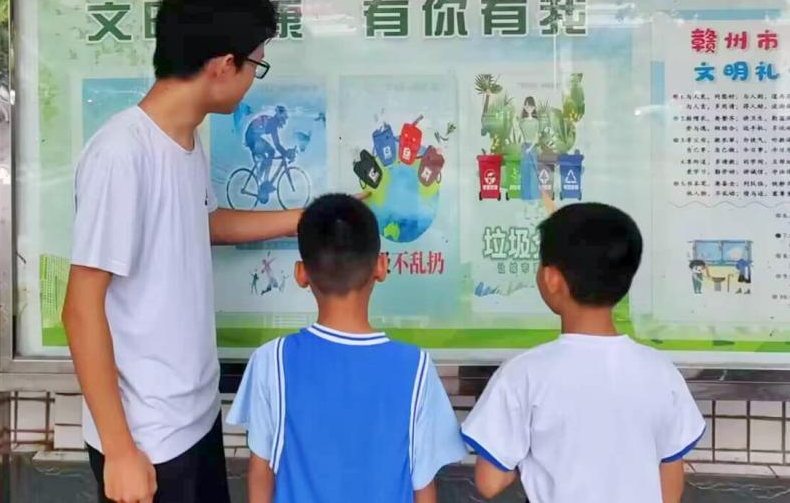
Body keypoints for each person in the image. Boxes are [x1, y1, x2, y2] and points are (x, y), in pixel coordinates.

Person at [63, 0, 303, 503]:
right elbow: (80, 307)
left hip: (193, 417)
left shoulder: (186, 141)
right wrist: (120, 450)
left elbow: (202, 223)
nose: (253, 79)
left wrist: (301, 219)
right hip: (145, 439)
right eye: (256, 65)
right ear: (223, 66)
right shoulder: (122, 154)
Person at [228, 194, 466, 503]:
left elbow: (261, 473)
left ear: (301, 273)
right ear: (381, 266)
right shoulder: (416, 368)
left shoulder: (271, 360)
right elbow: (424, 488)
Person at [461, 203, 705, 503]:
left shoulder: (522, 374)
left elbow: (489, 482)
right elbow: (670, 484)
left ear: (552, 279)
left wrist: (529, 453)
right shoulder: (661, 371)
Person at [245, 104, 294, 204]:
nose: (284, 122)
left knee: (270, 153)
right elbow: (277, 144)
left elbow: (277, 144)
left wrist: (285, 152)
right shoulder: (272, 123)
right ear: (280, 118)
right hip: (252, 138)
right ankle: (264, 181)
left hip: (253, 136)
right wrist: (286, 153)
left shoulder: (272, 122)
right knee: (271, 152)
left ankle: (263, 180)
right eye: (283, 119)